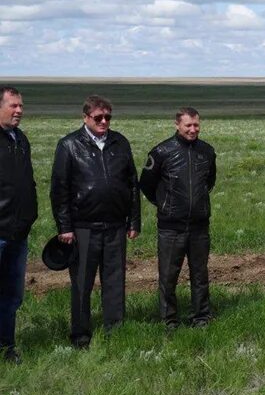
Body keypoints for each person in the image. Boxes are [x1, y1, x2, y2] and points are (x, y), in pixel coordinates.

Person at [50, 95, 141, 348]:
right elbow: (60, 189)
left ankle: (116, 330)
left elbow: (132, 184)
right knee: (82, 283)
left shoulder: (120, 142)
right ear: (85, 117)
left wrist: (133, 221)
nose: (103, 122)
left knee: (115, 281)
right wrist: (65, 227)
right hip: (82, 228)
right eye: (98, 117)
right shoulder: (69, 145)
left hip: (115, 226)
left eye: (107, 117)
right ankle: (80, 335)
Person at [139, 108, 216, 330]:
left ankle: (201, 316)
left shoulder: (207, 152)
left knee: (200, 274)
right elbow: (146, 184)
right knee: (168, 276)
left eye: (196, 125)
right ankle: (169, 320)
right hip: (170, 227)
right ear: (177, 125)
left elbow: (209, 181)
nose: (193, 130)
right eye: (188, 125)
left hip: (199, 226)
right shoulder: (161, 152)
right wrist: (165, 205)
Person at [0, 87, 37, 364]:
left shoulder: (20, 139)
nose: (19, 111)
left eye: (21, 106)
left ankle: (7, 347)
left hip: (18, 233)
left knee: (12, 295)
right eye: (13, 106)